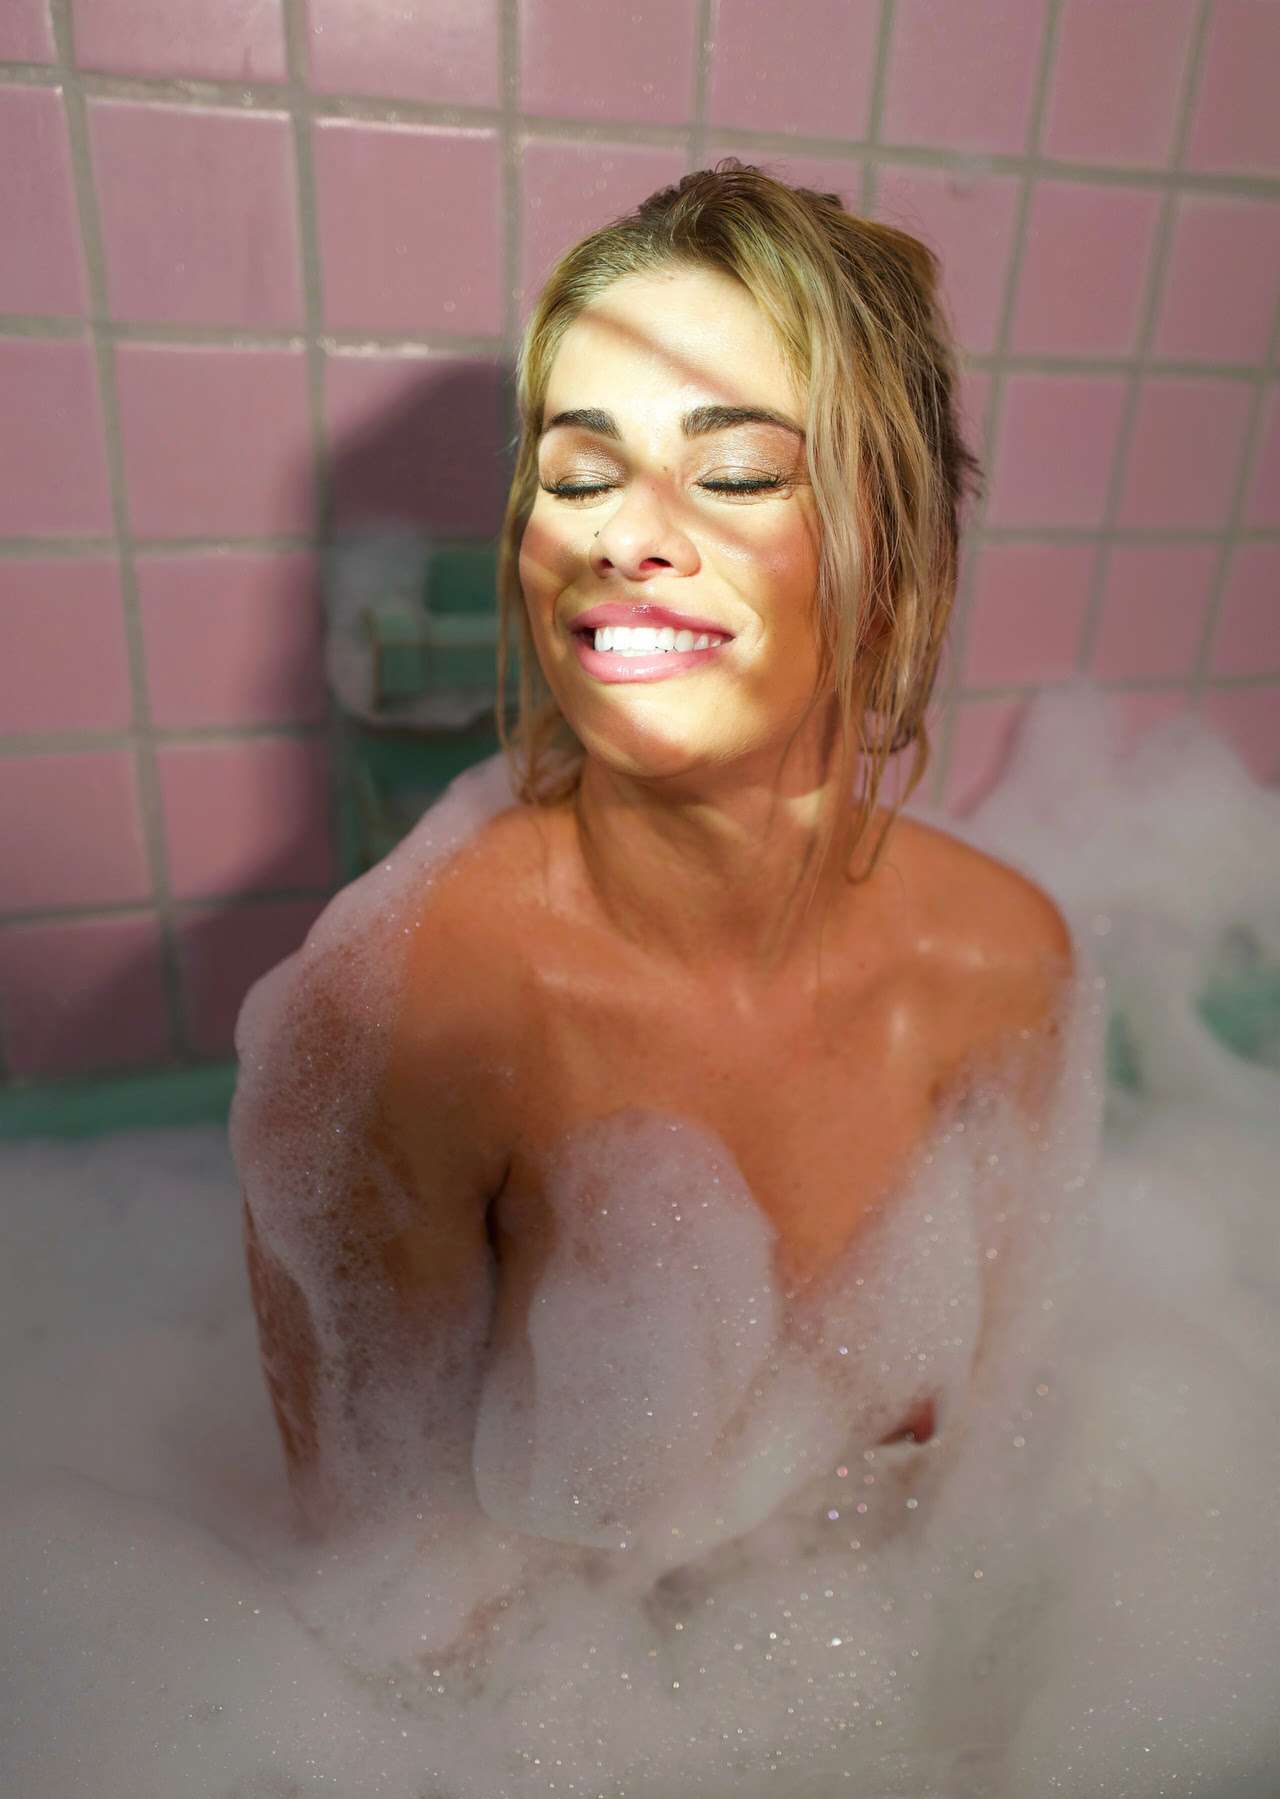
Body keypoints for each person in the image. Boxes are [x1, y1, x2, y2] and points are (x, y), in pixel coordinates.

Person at [236, 160, 1074, 1560]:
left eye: (733, 472)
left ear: (897, 572)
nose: (622, 536)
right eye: (578, 474)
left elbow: (989, 1488)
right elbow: (387, 1605)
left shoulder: (1005, 969)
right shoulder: (395, 1024)